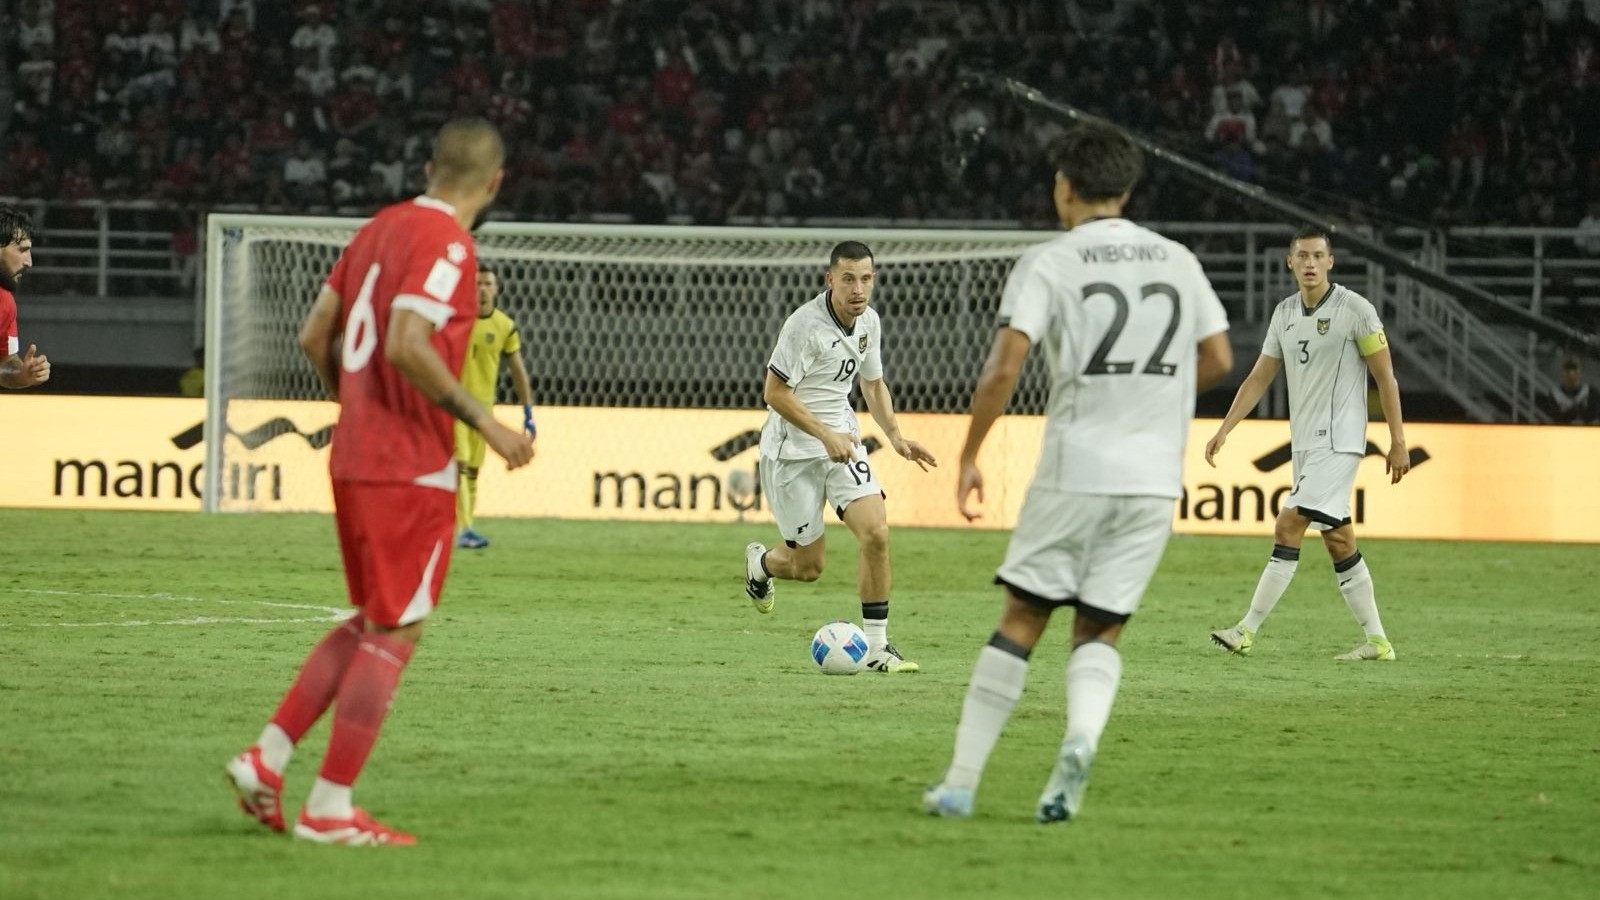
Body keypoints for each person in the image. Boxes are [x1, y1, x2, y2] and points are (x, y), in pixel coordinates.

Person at [224, 118, 534, 846]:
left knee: (372, 617)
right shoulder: (450, 245)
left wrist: (353, 406)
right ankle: (330, 808)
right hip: (410, 464)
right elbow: (405, 342)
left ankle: (266, 759)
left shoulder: (374, 230)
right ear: (494, 183)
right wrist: (486, 426)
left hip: (354, 453)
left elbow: (312, 336)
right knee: (398, 627)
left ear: (429, 168)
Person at [922, 123, 1233, 822]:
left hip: (1075, 469)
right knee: (1100, 630)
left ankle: (962, 782)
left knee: (1022, 618)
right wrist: (1154, 407)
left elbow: (1005, 367)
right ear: (1127, 189)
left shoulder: (1049, 262)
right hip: (1154, 481)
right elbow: (1217, 357)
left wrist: (971, 454)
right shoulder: (1177, 259)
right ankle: (1081, 740)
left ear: (1064, 187)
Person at [1205, 226, 1410, 662]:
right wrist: (1226, 428)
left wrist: (1397, 440)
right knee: (1338, 540)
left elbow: (1385, 377)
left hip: (1340, 442)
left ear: (1331, 262)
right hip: (1305, 447)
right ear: (1290, 262)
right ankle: (1378, 641)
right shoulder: (1283, 314)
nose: (1311, 263)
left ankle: (1246, 630)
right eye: (1303, 256)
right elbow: (1259, 376)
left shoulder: (1356, 310)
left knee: (1288, 524)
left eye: (1319, 255)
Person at [742, 240, 938, 674]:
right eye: (848, 278)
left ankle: (877, 649)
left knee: (877, 533)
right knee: (808, 568)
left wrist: (897, 438)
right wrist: (822, 433)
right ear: (830, 280)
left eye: (866, 278)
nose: (858, 288)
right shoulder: (803, 327)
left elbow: (873, 384)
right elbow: (774, 393)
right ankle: (761, 564)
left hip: (843, 444)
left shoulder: (870, 322)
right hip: (792, 451)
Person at [454, 264, 537, 549]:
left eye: (488, 284)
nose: (483, 290)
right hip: (454, 408)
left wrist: (528, 411)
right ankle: (462, 529)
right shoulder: (455, 321)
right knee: (459, 467)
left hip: (484, 414)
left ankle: (465, 527)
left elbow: (518, 370)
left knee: (473, 472)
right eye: (477, 284)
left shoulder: (504, 326)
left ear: (497, 289)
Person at [0, 204, 51, 390]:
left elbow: (5, 363)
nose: (29, 262)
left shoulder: (5, 304)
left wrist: (22, 375)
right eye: (22, 250)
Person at [1539, 357, 1599, 424]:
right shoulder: (1555, 394)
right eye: (1568, 370)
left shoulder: (1591, 392)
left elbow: (1595, 417)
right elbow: (1555, 418)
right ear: (1562, 373)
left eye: (1574, 369)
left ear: (1581, 373)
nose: (1571, 373)